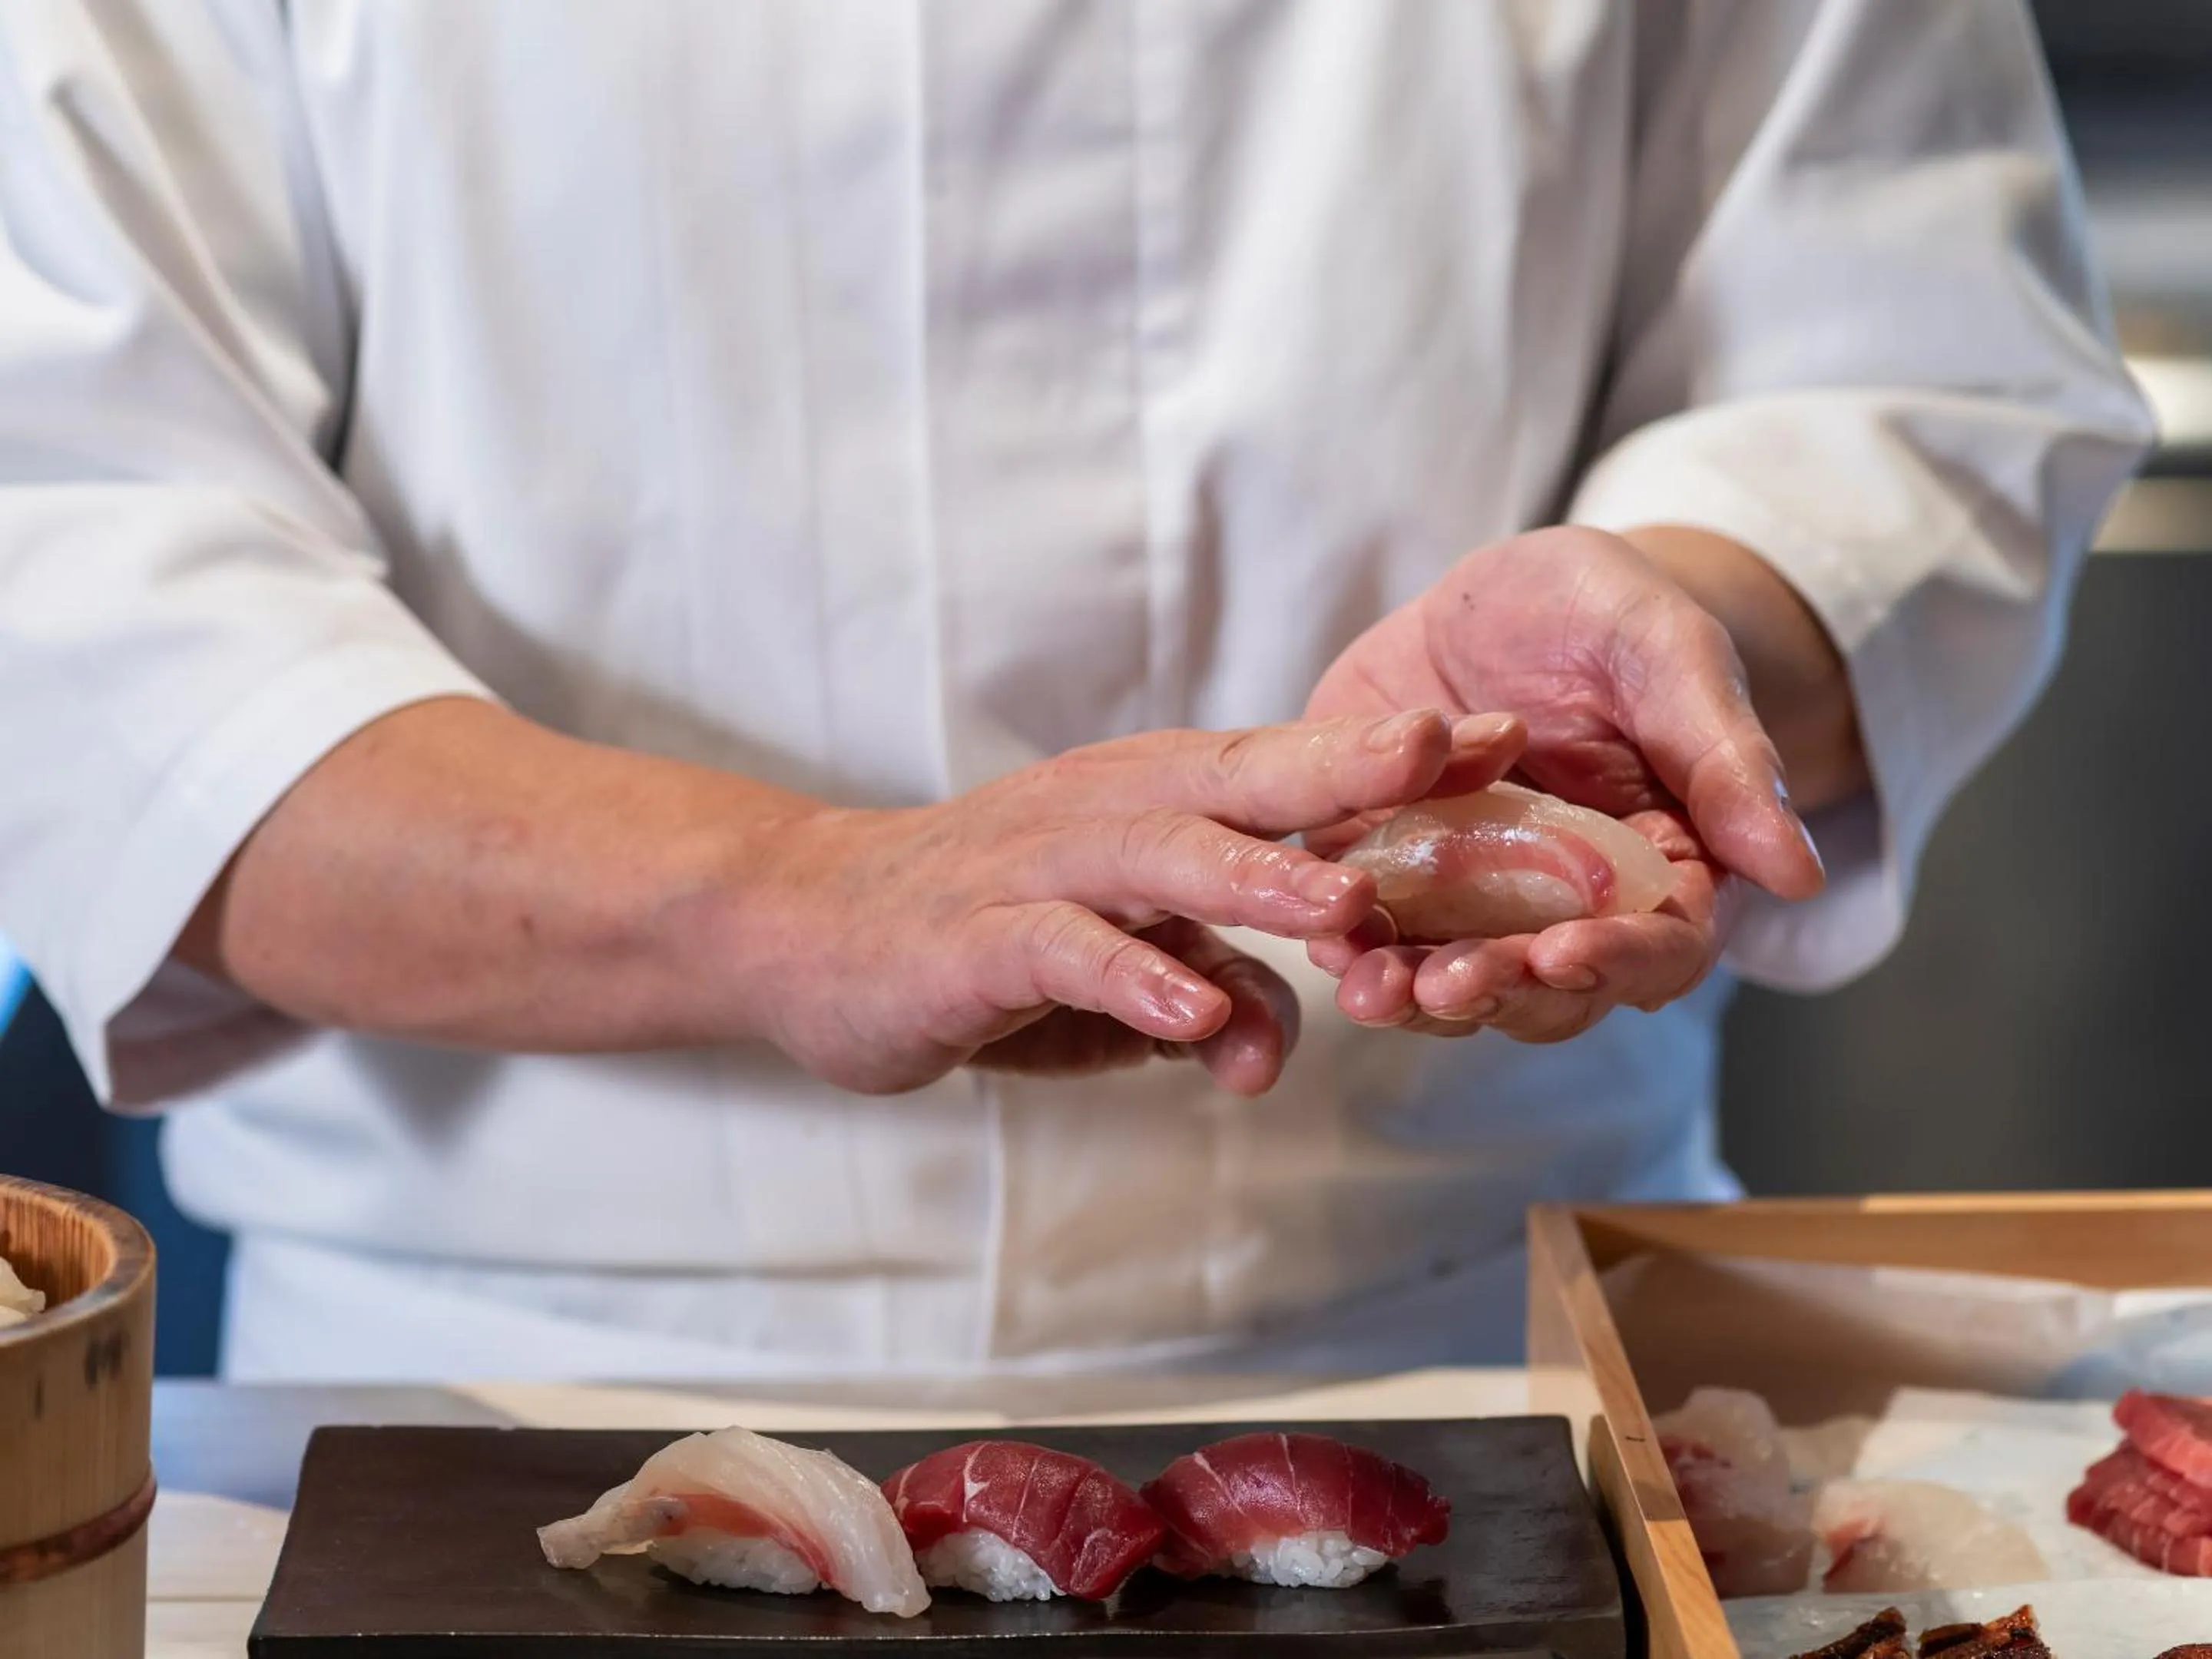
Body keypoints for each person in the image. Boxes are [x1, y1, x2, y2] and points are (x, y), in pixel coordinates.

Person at [0, 2, 2151, 1380]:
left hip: (1482, 1330)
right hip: (478, 1376)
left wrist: (1680, 625)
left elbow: (1913, 380)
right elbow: (76, 579)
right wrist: (790, 898)